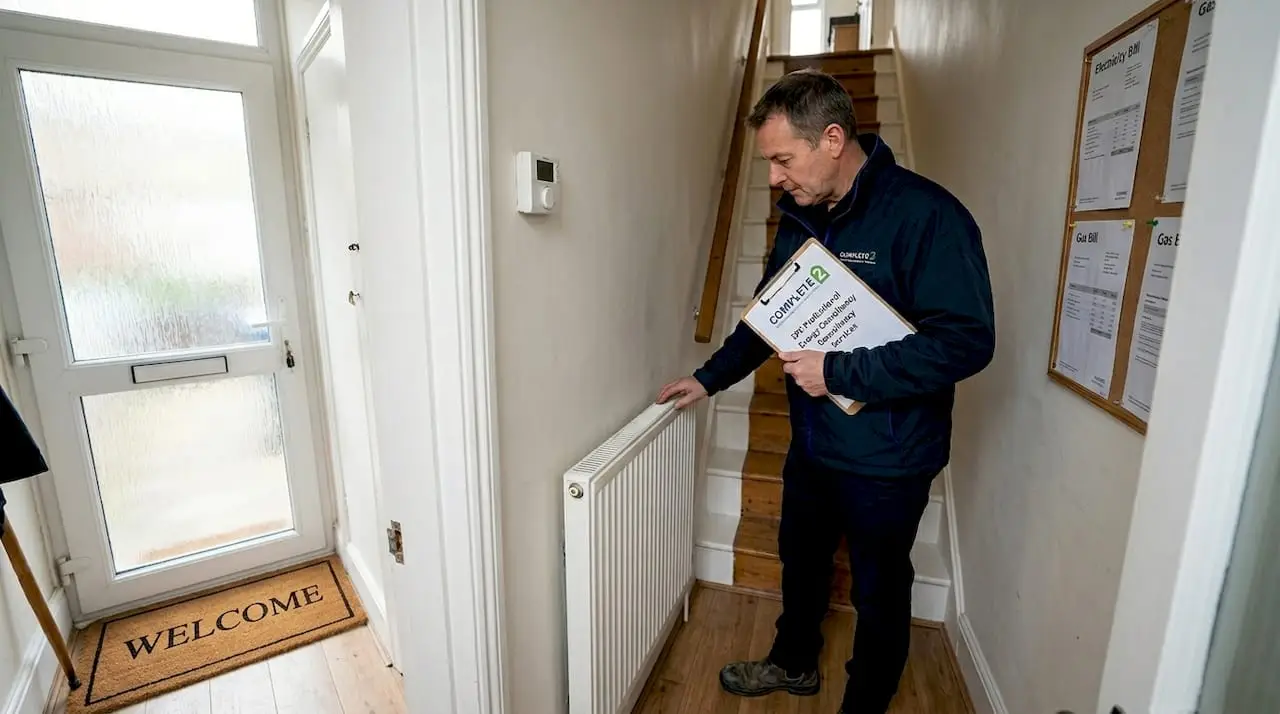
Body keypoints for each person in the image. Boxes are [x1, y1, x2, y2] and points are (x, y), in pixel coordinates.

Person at [657, 68, 995, 713]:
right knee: (802, 560)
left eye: (783, 159)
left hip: (890, 456)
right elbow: (771, 315)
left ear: (833, 139)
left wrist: (838, 372)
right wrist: (708, 378)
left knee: (879, 591)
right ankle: (793, 664)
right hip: (814, 443)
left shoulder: (929, 216)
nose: (774, 178)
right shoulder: (800, 216)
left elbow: (966, 342)